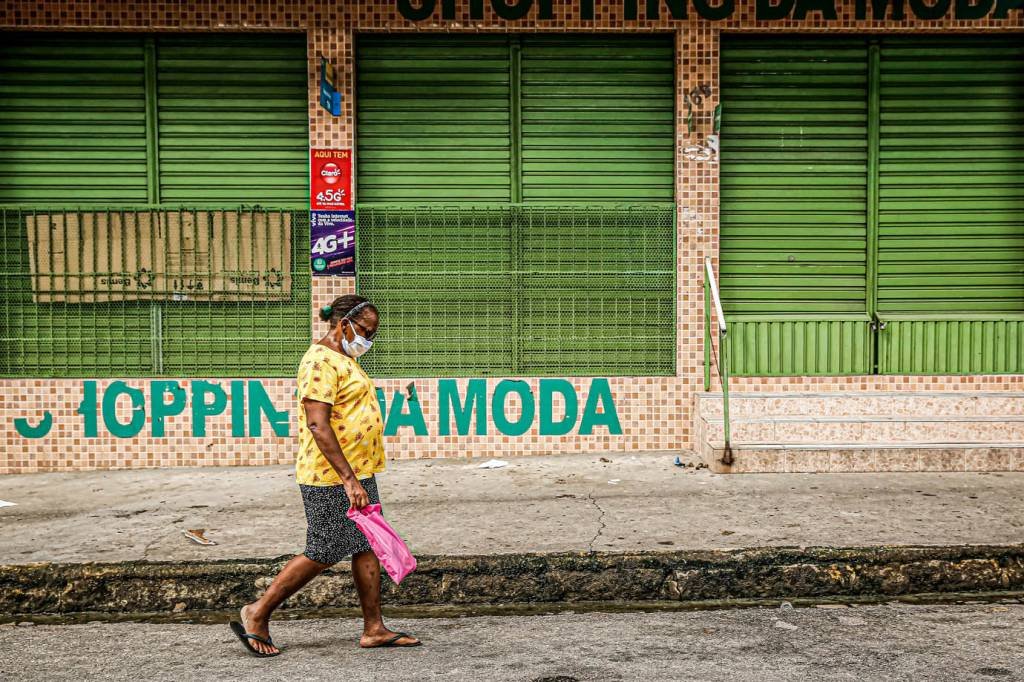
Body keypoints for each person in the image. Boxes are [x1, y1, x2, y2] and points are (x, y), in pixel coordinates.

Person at [229, 294, 421, 657]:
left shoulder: (343, 359)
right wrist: (348, 480)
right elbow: (318, 424)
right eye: (365, 330)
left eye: (374, 333)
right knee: (323, 549)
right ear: (343, 323)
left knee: (366, 545)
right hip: (331, 475)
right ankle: (257, 612)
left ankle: (374, 628)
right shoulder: (319, 361)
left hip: (358, 471)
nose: (369, 338)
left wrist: (357, 476)